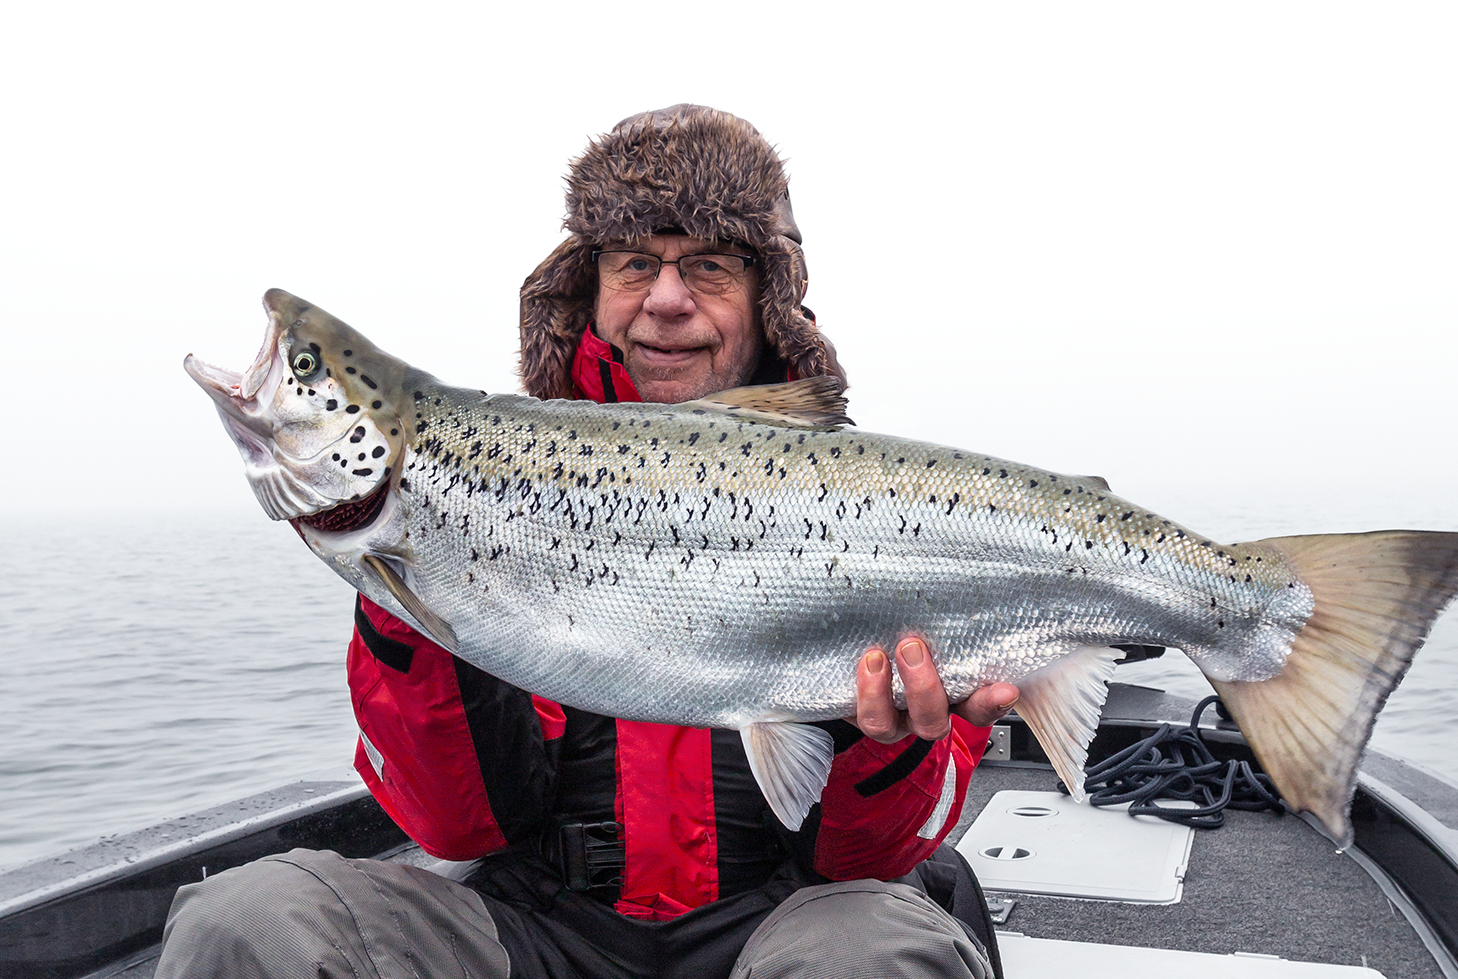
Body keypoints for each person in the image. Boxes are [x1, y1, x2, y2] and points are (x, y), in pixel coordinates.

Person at [154, 105, 1015, 979]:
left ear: (767, 299)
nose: (667, 298)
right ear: (591, 291)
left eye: (710, 266)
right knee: (247, 921)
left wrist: (893, 740)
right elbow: (452, 827)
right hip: (533, 927)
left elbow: (863, 864)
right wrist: (403, 588)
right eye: (634, 262)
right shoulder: (479, 488)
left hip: (783, 922)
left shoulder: (863, 503)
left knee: (876, 956)